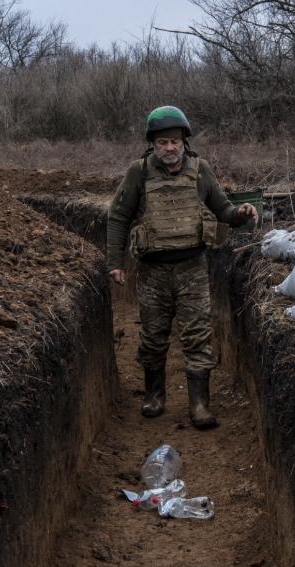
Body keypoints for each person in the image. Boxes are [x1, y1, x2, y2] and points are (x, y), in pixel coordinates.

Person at [106, 105, 258, 430]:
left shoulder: (200, 170)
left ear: (184, 142)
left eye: (175, 141)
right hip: (152, 271)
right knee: (153, 336)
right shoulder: (139, 172)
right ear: (153, 145)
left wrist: (241, 214)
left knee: (197, 336)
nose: (170, 148)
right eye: (162, 143)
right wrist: (115, 263)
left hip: (193, 268)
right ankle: (154, 395)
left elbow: (223, 209)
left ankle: (199, 404)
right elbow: (118, 217)